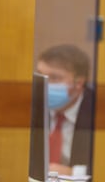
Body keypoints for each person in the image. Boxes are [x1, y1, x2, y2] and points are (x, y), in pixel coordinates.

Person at [35, 44, 94, 176]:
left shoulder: (101, 111)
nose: (44, 85)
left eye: (54, 78)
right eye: (41, 76)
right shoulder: (30, 105)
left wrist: (74, 172)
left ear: (78, 83)